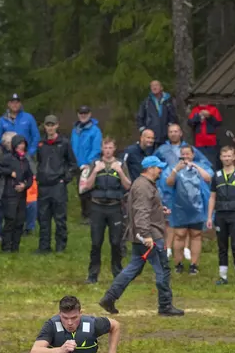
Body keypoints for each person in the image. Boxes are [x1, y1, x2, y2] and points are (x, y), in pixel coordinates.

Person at [98, 156, 184, 317]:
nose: (160, 170)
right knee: (162, 269)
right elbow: (141, 212)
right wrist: (146, 235)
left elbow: (145, 208)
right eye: (158, 167)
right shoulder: (144, 187)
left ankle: (109, 298)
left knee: (132, 269)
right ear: (150, 168)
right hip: (150, 235)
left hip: (142, 234)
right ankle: (165, 305)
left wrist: (159, 210)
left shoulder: (142, 184)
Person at [78, 136, 131, 284]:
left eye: (110, 148)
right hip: (97, 207)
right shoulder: (95, 164)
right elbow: (86, 186)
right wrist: (95, 171)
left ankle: (118, 273)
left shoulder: (121, 164)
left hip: (114, 207)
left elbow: (128, 186)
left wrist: (120, 172)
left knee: (116, 242)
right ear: (102, 149)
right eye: (105, 148)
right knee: (96, 242)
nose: (107, 151)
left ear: (114, 149)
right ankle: (93, 275)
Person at [206, 145, 235, 285]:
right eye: (224, 156)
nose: (227, 158)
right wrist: (209, 217)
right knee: (222, 246)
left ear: (234, 157)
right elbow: (212, 197)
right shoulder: (217, 176)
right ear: (220, 157)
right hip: (220, 214)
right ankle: (223, 276)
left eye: (229, 156)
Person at [166, 144, 212, 275]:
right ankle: (178, 264)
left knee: (196, 235)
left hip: (197, 207)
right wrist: (176, 169)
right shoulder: (175, 167)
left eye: (188, 154)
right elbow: (169, 183)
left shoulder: (200, 166)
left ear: (192, 155)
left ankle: (194, 264)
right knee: (179, 235)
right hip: (180, 207)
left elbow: (208, 178)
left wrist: (196, 166)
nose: (185, 156)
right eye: (183, 153)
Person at [35, 114, 77, 253]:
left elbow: (72, 164)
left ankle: (60, 246)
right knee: (43, 218)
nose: (50, 128)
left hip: (58, 185)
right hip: (43, 185)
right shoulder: (41, 144)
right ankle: (44, 246)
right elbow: (39, 161)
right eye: (48, 125)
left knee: (60, 218)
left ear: (57, 125)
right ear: (45, 127)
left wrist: (65, 179)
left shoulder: (64, 143)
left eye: (52, 125)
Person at [0, 134, 34, 252]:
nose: (21, 146)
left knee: (20, 221)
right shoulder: (7, 157)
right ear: (14, 146)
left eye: (23, 144)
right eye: (19, 144)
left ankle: (15, 246)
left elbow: (30, 177)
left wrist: (25, 186)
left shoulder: (25, 161)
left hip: (22, 194)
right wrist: (9, 172)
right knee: (10, 220)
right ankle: (6, 246)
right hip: (9, 194)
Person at [71, 105, 102, 221]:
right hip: (77, 165)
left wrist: (89, 163)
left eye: (85, 113)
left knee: (88, 191)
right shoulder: (75, 130)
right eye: (81, 113)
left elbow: (96, 149)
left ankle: (90, 215)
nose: (83, 115)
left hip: (88, 165)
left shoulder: (95, 130)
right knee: (80, 191)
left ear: (90, 114)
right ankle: (85, 214)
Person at [188, 101, 223, 166]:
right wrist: (198, 117)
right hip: (199, 142)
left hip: (212, 142)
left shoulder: (213, 109)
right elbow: (190, 123)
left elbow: (218, 123)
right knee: (200, 162)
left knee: (212, 162)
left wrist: (209, 116)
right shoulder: (195, 110)